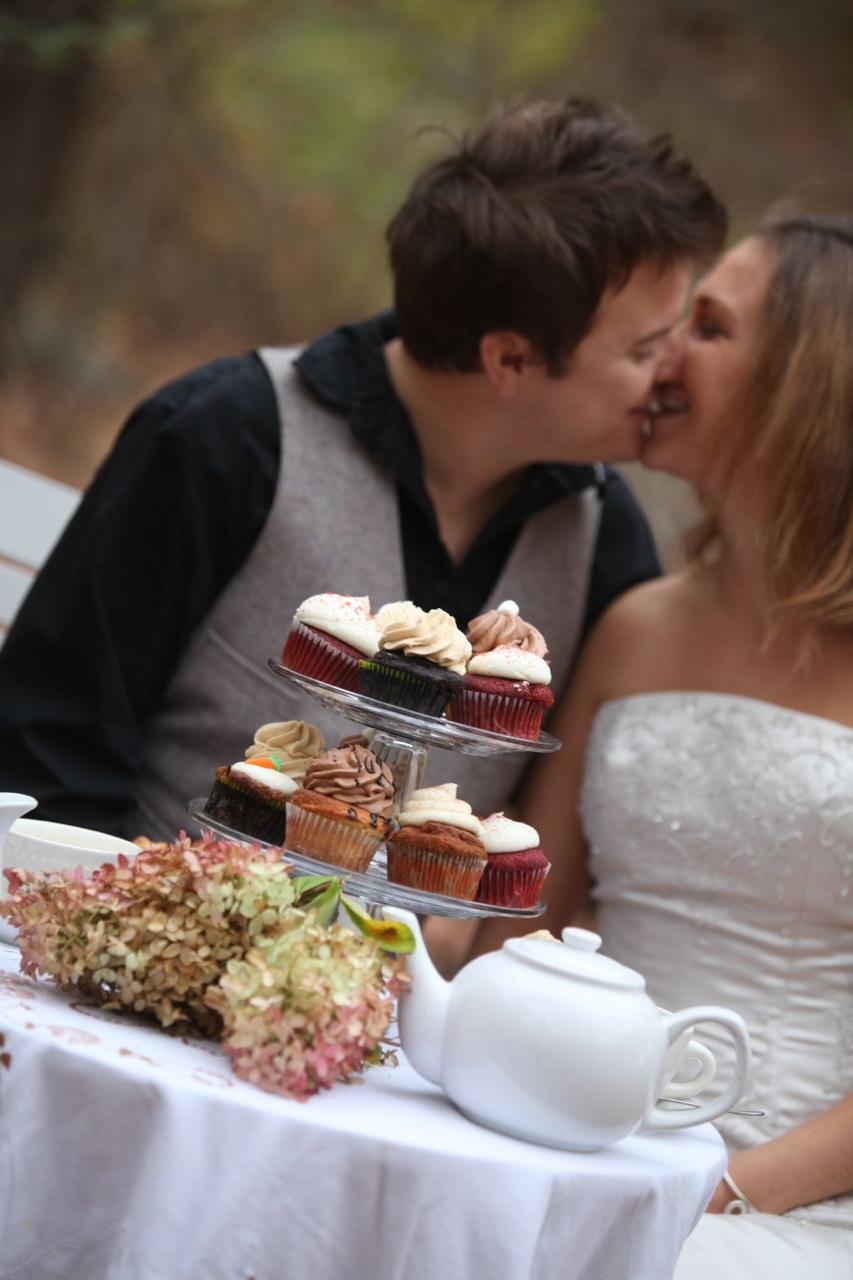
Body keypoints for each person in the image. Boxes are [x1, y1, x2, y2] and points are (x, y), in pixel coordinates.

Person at [0, 97, 726, 843]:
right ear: (508, 358)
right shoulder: (223, 437)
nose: (670, 373)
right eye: (642, 350)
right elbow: (51, 748)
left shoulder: (603, 537)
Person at [472, 215, 853, 1275]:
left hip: (789, 1193)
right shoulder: (635, 622)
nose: (662, 351)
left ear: (806, 384)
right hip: (571, 1133)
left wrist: (715, 1190)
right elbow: (522, 919)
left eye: (711, 326)